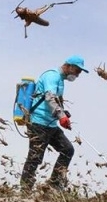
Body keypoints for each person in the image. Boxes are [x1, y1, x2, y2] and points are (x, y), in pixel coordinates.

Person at [20, 55, 89, 192]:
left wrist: (64, 114)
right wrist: (61, 116)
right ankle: (25, 190)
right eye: (77, 70)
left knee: (67, 150)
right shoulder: (52, 76)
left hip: (50, 124)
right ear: (69, 66)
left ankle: (54, 186)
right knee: (35, 156)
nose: (78, 74)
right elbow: (49, 97)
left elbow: (57, 102)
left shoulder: (61, 81)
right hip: (38, 122)